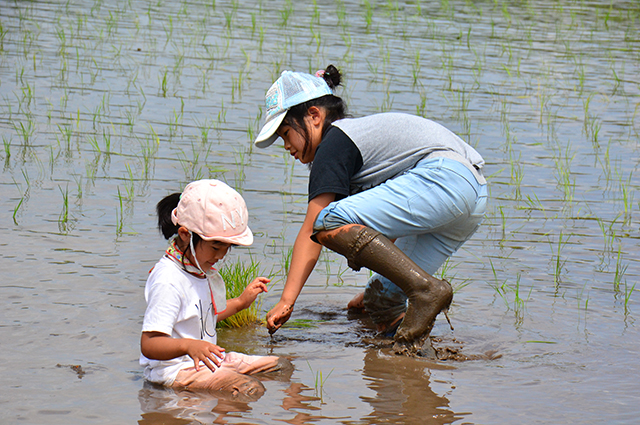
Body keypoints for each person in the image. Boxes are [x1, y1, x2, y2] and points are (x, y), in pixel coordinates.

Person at [255, 65, 487, 355]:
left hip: (444, 179)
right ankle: (412, 364)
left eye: (286, 133)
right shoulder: (357, 143)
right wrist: (371, 290)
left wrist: (287, 300)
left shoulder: (335, 142)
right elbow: (388, 221)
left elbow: (312, 229)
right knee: (381, 299)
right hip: (473, 195)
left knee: (325, 222)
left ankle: (426, 291)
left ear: (314, 116)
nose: (286, 145)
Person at [140, 179, 289, 399]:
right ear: (184, 235)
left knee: (280, 366)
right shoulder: (168, 279)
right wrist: (189, 346)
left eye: (227, 248)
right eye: (216, 246)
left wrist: (241, 302)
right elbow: (149, 344)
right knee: (248, 388)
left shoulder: (198, 270)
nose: (220, 256)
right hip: (175, 371)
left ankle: (219, 411)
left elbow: (204, 317)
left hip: (205, 361)